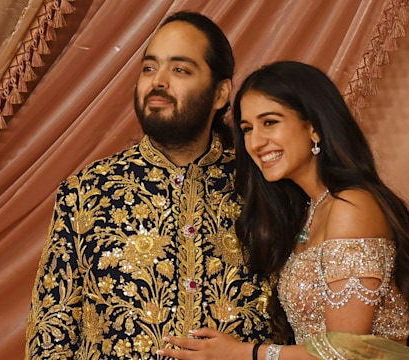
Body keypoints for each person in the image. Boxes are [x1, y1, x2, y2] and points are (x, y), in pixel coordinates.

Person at [25, 12, 278, 359]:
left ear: (220, 93)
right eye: (149, 68)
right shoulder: (86, 192)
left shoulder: (262, 185)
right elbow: (51, 337)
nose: (158, 81)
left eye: (180, 70)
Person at [159, 61, 409, 359]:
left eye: (270, 122)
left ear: (314, 127)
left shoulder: (352, 206)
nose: (255, 142)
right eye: (247, 129)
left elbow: (347, 351)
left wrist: (242, 354)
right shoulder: (308, 211)